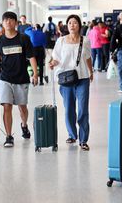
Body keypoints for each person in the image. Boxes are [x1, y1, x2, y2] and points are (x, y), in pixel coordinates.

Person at [0, 11, 38, 148]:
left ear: (16, 23)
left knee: (22, 108)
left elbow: (31, 57)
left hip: (21, 78)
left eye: (11, 20)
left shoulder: (23, 39)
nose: (8, 22)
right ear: (2, 23)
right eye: (6, 20)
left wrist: (35, 73)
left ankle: (24, 125)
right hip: (5, 78)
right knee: (7, 106)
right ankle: (9, 136)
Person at [49, 14, 93, 151]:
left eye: (75, 23)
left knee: (83, 109)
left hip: (82, 78)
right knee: (69, 109)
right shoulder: (61, 41)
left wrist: (91, 72)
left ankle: (84, 139)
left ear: (79, 25)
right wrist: (52, 63)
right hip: (66, 79)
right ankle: (72, 135)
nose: (72, 25)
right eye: (70, 23)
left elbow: (88, 58)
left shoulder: (85, 40)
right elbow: (56, 58)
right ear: (66, 26)